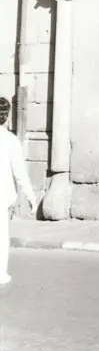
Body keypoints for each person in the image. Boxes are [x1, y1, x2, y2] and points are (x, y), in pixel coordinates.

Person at [0, 98, 36, 285]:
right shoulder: (11, 141)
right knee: (2, 235)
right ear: (7, 117)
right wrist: (30, 196)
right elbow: (20, 173)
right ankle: (0, 273)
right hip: (3, 195)